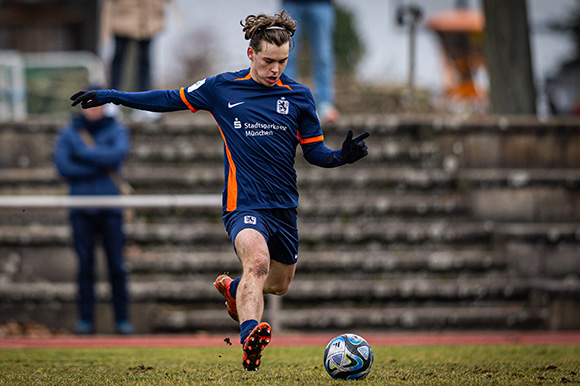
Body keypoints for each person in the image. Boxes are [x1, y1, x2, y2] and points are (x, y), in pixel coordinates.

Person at [70, 10, 368, 370]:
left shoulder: (301, 97)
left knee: (280, 283)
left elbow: (315, 152)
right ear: (251, 54)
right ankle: (249, 339)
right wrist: (112, 95)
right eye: (268, 60)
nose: (275, 69)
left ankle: (233, 289)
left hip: (284, 206)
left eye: (283, 61)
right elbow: (167, 98)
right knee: (257, 262)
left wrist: (341, 157)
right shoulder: (221, 88)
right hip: (242, 204)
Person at [54, 84, 134, 335]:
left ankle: (122, 320)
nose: (94, 110)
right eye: (89, 105)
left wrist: (82, 154)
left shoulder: (115, 129)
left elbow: (117, 155)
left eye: (98, 104)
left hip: (110, 208)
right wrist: (98, 160)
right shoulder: (69, 132)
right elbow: (64, 168)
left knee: (117, 267)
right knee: (85, 267)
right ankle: (86, 320)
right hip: (80, 208)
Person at [282, 0, 338, 122]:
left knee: (323, 54)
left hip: (322, 4)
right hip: (290, 4)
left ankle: (324, 103)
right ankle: (286, 100)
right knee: (285, 53)